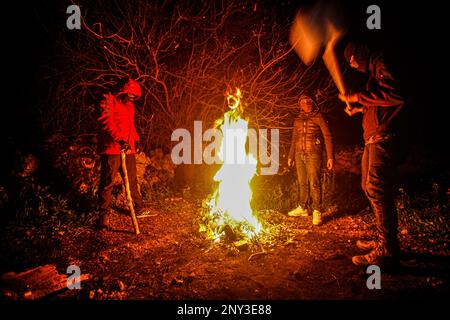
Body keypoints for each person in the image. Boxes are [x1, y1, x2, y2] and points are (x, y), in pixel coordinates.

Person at [339, 43, 405, 268]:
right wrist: (360, 108)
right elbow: (378, 102)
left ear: (358, 55)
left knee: (377, 187)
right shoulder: (373, 74)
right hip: (372, 138)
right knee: (369, 187)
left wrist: (359, 96)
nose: (352, 66)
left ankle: (388, 250)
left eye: (351, 61)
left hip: (384, 137)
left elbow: (396, 94)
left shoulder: (382, 64)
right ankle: (383, 239)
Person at [96, 78, 147, 230]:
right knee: (107, 183)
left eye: (135, 97)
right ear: (123, 91)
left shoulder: (129, 105)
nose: (133, 98)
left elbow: (131, 126)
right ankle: (103, 216)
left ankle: (138, 207)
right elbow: (106, 121)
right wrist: (119, 140)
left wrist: (136, 140)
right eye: (131, 95)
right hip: (112, 149)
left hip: (128, 149)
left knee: (131, 180)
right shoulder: (108, 99)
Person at [288, 94, 334, 226]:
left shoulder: (319, 117)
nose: (305, 103)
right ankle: (303, 207)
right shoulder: (297, 120)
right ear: (299, 104)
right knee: (302, 182)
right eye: (302, 101)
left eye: (308, 101)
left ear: (313, 102)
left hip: (313, 154)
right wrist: (291, 156)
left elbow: (328, 136)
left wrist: (330, 157)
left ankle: (317, 210)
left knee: (314, 182)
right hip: (298, 154)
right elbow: (294, 139)